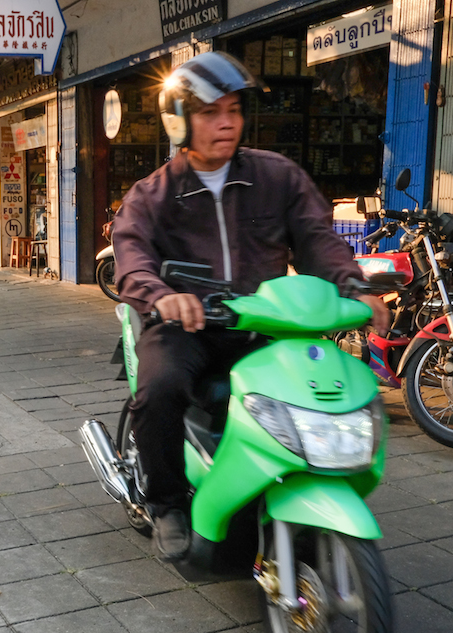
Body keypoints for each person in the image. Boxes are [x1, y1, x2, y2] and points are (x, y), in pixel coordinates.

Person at [111, 51, 389, 560]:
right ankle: (167, 503)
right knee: (161, 389)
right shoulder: (151, 195)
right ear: (179, 120)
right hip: (185, 327)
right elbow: (131, 257)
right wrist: (163, 296)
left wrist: (353, 286)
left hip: (264, 323)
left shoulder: (276, 176)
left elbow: (317, 238)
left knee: (313, 392)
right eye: (212, 112)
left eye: (234, 110)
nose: (227, 122)